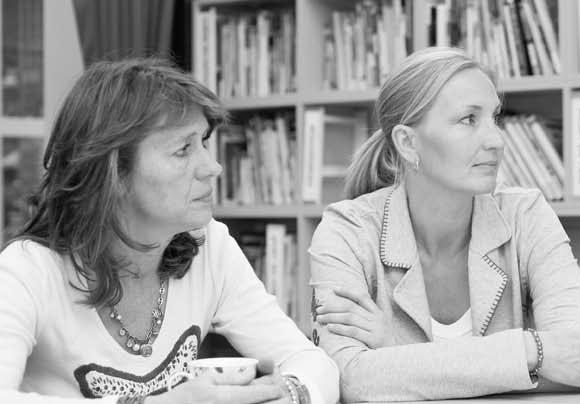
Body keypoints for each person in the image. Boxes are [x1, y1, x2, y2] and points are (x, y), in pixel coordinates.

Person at [0, 58, 341, 404]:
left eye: (204, 143)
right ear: (113, 172)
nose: (213, 167)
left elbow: (313, 362)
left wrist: (292, 395)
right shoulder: (27, 270)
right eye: (183, 150)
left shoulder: (209, 245)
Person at [309, 47, 580, 402]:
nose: (496, 140)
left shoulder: (525, 215)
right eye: (468, 119)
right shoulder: (347, 231)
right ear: (407, 142)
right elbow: (350, 382)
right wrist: (535, 350)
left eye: (495, 118)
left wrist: (395, 351)